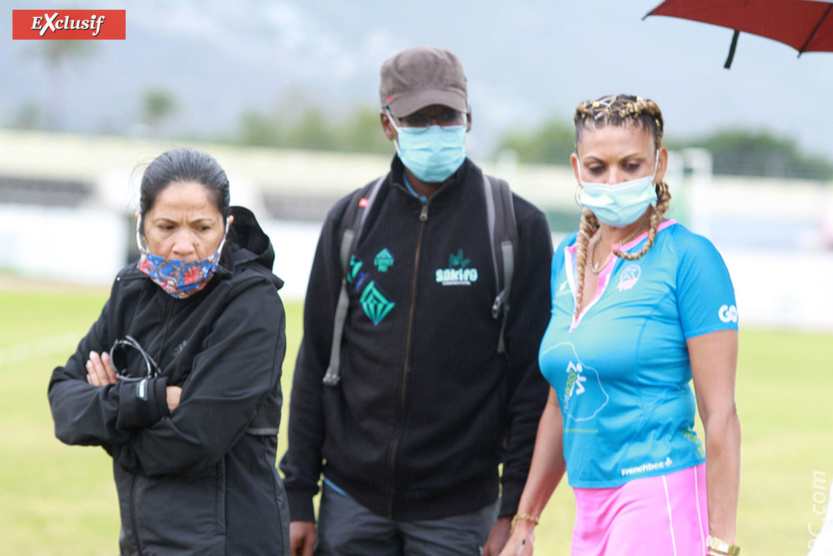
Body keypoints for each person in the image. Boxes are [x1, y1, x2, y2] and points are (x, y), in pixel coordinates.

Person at [280, 46, 553, 556]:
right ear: (387, 123)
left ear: (467, 118)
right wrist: (298, 494)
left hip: (460, 511)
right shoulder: (349, 222)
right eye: (415, 118)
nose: (433, 129)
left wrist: (512, 509)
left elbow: (531, 385)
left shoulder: (517, 227)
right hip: (349, 502)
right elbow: (315, 359)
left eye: (444, 116)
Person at [499, 95, 742, 556]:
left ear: (659, 163)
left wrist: (721, 545)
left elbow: (721, 416)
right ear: (577, 169)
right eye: (597, 167)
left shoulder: (690, 259)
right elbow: (560, 399)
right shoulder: (566, 260)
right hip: (589, 506)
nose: (614, 181)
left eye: (631, 165)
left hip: (658, 498)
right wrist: (526, 519)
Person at [48, 148, 290, 555]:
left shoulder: (253, 305)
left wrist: (109, 425)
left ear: (226, 226)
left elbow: (195, 438)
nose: (183, 245)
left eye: (201, 227)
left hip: (232, 543)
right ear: (141, 224)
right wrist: (153, 399)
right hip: (145, 542)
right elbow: (64, 402)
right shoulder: (131, 291)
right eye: (166, 226)